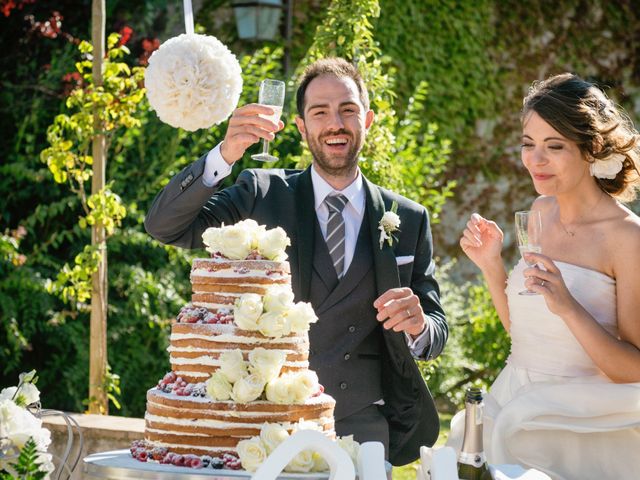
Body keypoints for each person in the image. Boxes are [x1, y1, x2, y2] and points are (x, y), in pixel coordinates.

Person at [144, 57, 448, 466]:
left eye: (348, 110)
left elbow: (436, 328)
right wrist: (226, 153)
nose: (335, 123)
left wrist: (419, 326)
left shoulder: (408, 218)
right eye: (319, 112)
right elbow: (166, 226)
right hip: (267, 427)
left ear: (368, 120)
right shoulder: (262, 192)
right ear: (302, 127)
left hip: (366, 426)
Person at [455, 73, 640, 479]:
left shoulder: (627, 237)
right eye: (528, 145)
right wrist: (491, 265)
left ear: (591, 149)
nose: (535, 161)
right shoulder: (540, 211)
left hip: (575, 429)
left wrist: (570, 308)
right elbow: (526, 335)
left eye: (554, 147)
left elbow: (634, 369)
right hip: (510, 399)